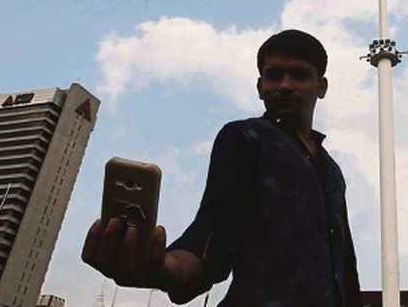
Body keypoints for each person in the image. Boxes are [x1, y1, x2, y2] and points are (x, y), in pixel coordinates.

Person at [82, 29, 361, 306]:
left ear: (321, 87)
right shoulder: (246, 138)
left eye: (299, 75)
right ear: (260, 86)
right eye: (274, 75)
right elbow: (218, 223)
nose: (285, 85)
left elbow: (346, 264)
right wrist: (174, 267)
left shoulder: (332, 171)